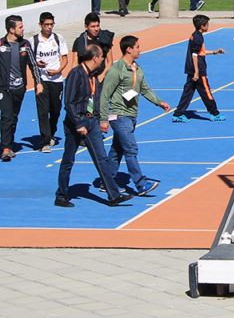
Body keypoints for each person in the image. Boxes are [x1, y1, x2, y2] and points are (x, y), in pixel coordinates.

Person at [54, 45, 133, 208]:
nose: (104, 60)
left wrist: (100, 119)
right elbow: (68, 103)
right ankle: (61, 195)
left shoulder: (94, 76)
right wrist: (78, 123)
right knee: (69, 159)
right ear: (95, 57)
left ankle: (114, 195)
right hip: (76, 123)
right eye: (102, 57)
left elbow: (95, 100)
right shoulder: (76, 74)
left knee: (102, 159)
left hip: (91, 122)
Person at [98, 35, 171, 195]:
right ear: (128, 49)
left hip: (131, 115)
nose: (140, 49)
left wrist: (159, 102)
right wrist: (103, 119)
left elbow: (144, 89)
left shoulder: (137, 69)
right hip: (119, 115)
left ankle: (107, 182)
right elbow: (104, 95)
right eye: (137, 47)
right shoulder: (116, 70)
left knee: (117, 150)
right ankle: (140, 183)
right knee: (131, 149)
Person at [0, 16, 44, 162]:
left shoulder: (25, 45)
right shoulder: (1, 44)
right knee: (6, 117)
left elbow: (33, 64)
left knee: (13, 117)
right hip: (4, 89)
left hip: (19, 89)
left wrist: (38, 82)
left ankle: (9, 144)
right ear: (12, 29)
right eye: (20, 27)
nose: (23, 29)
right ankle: (6, 148)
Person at [172, 14, 226, 122]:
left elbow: (200, 52)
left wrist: (215, 52)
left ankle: (178, 114)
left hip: (191, 69)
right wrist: (197, 72)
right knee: (206, 91)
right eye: (207, 24)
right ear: (202, 26)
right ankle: (215, 113)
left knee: (188, 92)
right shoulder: (198, 38)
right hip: (199, 70)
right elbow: (195, 55)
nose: (208, 26)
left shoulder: (195, 35)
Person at [31, 12, 69, 153]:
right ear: (40, 25)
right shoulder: (33, 41)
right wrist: (37, 63)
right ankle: (45, 141)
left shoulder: (58, 39)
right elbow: (30, 60)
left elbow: (65, 58)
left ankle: (51, 133)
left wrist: (59, 69)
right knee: (43, 111)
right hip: (41, 81)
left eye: (51, 24)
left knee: (56, 110)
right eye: (46, 25)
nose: (49, 27)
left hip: (57, 80)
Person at [69, 13, 115, 80]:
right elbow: (75, 63)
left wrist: (101, 77)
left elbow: (110, 61)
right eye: (93, 26)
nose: (96, 29)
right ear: (86, 27)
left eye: (97, 26)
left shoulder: (105, 39)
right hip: (84, 78)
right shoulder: (79, 41)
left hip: (100, 77)